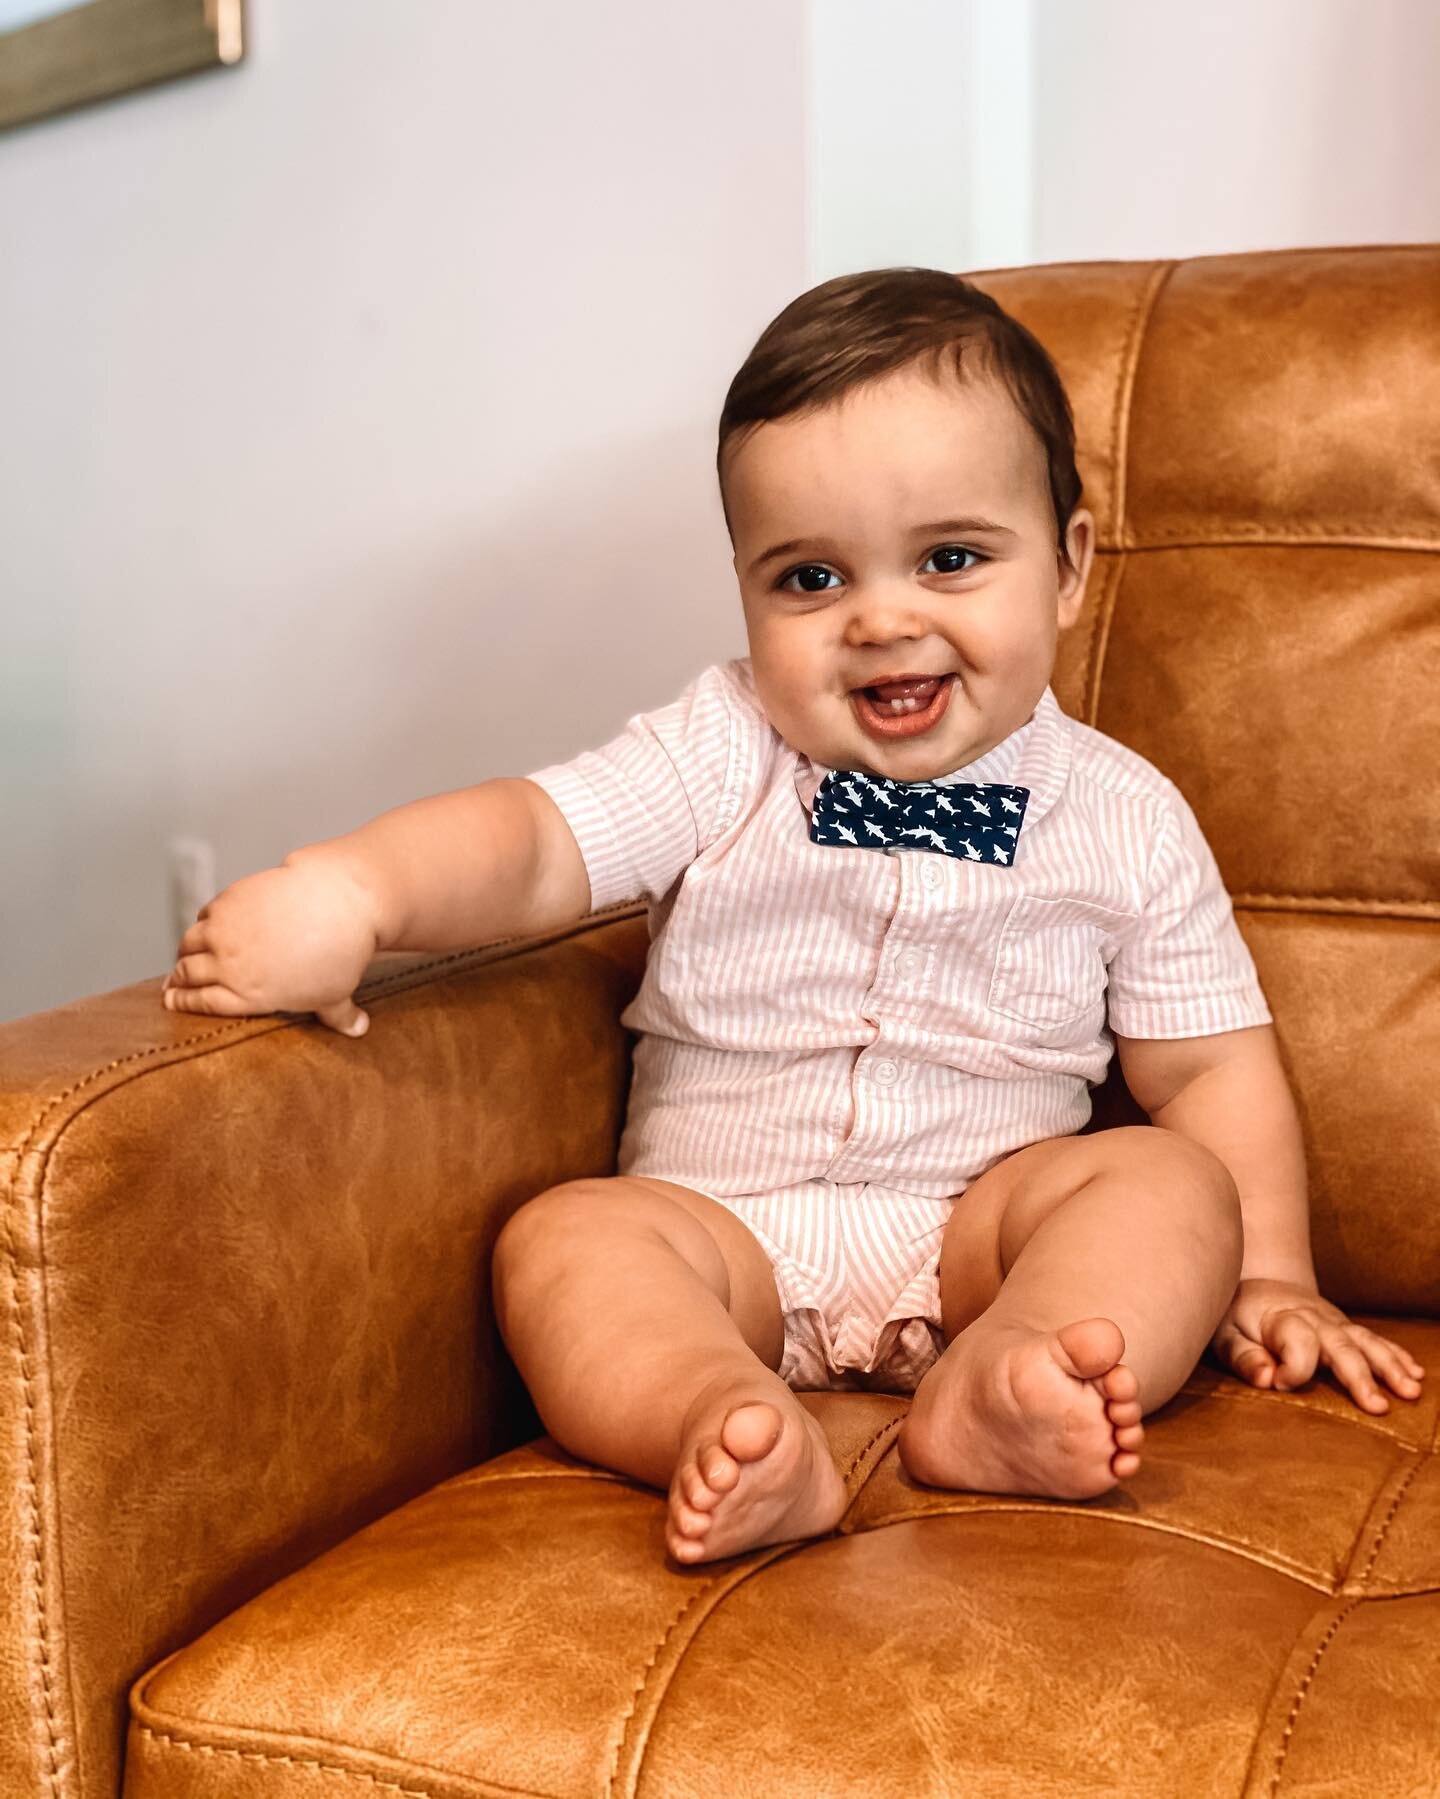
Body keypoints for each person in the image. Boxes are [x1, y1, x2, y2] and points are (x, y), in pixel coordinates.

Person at [160, 268, 1426, 1567]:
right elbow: (539, 842)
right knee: (565, 1240)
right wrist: (358, 891)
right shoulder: (721, 747)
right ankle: (721, 1415)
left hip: (982, 1233)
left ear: (1068, 566)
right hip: (722, 1233)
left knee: (1170, 1182)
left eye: (950, 558)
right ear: (746, 591)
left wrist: (1273, 1276)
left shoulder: (1125, 814)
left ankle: (1007, 1381)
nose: (882, 619)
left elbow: (1211, 1065)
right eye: (811, 578)